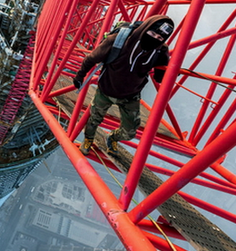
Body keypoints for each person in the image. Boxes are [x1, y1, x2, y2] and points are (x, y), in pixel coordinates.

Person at [73, 15, 174, 155]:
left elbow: (159, 74)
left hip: (130, 96)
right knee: (93, 120)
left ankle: (113, 137)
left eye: (159, 38)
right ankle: (88, 139)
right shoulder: (119, 40)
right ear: (145, 29)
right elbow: (92, 58)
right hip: (106, 90)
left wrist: (167, 72)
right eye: (152, 33)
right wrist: (80, 76)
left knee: (130, 131)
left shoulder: (159, 50)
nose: (155, 38)